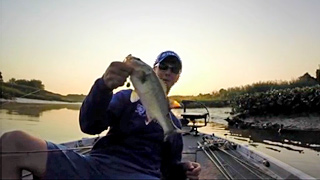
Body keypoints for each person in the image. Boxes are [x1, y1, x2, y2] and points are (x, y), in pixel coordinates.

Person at [0, 50, 201, 179]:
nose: (168, 72)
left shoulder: (171, 124)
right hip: (96, 165)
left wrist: (184, 169)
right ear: (153, 69)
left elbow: (169, 168)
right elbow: (90, 126)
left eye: (174, 70)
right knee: (14, 142)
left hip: (142, 174)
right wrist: (103, 87)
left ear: (178, 77)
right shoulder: (124, 97)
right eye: (163, 66)